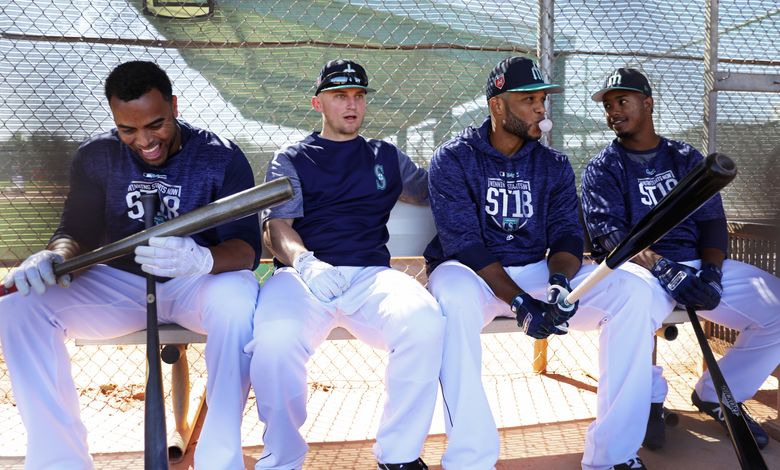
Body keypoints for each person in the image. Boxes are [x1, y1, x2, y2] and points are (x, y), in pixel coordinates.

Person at [0, 61, 261, 469]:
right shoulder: (96, 156)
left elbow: (246, 249)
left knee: (239, 299)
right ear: (114, 120)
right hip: (121, 284)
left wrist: (202, 258)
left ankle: (218, 458)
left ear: (174, 106)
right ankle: (58, 461)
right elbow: (77, 231)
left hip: (197, 283)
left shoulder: (220, 157)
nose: (144, 141)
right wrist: (55, 256)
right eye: (128, 129)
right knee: (19, 306)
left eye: (155, 124)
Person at [424, 56, 661, 470]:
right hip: (473, 274)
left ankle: (613, 454)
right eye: (528, 99)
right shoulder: (455, 156)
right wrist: (520, 303)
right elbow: (465, 245)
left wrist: (557, 284)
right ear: (497, 106)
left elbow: (568, 237)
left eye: (542, 100)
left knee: (633, 290)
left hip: (535, 272)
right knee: (451, 299)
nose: (540, 109)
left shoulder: (552, 164)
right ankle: (471, 458)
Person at [245, 59, 444, 470]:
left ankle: (399, 454)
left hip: (371, 276)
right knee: (275, 343)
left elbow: (434, 190)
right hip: (304, 278)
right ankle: (282, 457)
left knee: (425, 319)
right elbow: (276, 226)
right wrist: (305, 262)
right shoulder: (293, 157)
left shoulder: (385, 156)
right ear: (319, 103)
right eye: (340, 96)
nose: (351, 104)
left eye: (358, 96)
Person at [582, 67, 780, 454]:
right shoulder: (603, 167)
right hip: (639, 270)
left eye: (622, 101)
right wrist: (662, 267)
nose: (613, 111)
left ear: (648, 103)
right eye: (608, 105)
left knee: (776, 306)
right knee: (630, 313)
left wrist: (712, 272)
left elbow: (713, 224)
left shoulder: (685, 157)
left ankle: (719, 395)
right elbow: (611, 237)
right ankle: (651, 398)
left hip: (693, 264)